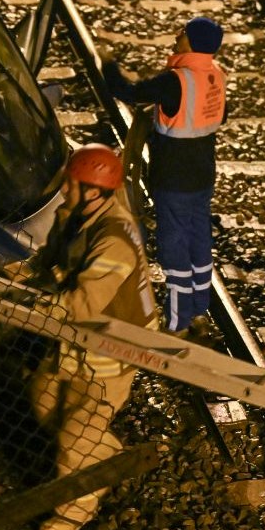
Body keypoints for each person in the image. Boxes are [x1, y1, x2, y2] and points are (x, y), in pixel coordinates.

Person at [3, 144, 158, 530]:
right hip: (75, 337)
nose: (63, 190)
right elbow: (54, 263)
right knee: (44, 402)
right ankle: (101, 454)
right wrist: (27, 275)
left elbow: (84, 303)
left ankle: (76, 511)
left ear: (92, 191)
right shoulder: (74, 217)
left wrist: (37, 307)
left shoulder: (115, 241)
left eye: (69, 184)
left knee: (76, 435)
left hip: (111, 347)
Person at [103, 17, 227, 338]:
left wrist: (107, 65)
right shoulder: (216, 77)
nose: (177, 35)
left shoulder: (176, 81)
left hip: (173, 180)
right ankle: (200, 309)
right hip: (202, 178)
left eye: (183, 33)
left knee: (174, 249)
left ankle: (177, 323)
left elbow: (126, 92)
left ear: (194, 42)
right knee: (199, 242)